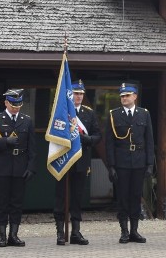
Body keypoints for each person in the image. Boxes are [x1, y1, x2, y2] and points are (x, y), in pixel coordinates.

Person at [0, 88, 36, 247]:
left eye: (18, 105)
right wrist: (5, 142)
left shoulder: (27, 120)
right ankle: (2, 236)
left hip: (20, 166)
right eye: (13, 105)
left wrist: (31, 167)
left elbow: (32, 148)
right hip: (2, 166)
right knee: (2, 203)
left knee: (17, 203)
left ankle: (14, 235)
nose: (16, 108)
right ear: (6, 102)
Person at [53, 80, 102, 245]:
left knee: (77, 197)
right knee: (61, 197)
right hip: (64, 159)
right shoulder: (62, 112)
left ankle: (75, 232)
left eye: (81, 93)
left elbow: (97, 135)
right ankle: (60, 232)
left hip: (81, 161)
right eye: (75, 93)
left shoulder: (89, 113)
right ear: (70, 94)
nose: (78, 96)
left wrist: (88, 139)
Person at [105, 82, 155, 244]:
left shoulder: (143, 114)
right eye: (122, 96)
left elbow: (149, 140)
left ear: (135, 96)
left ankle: (134, 231)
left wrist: (149, 164)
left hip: (139, 161)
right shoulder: (114, 114)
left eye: (127, 95)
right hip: (122, 162)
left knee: (136, 196)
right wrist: (111, 166)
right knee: (123, 197)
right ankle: (124, 231)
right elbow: (109, 143)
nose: (124, 98)